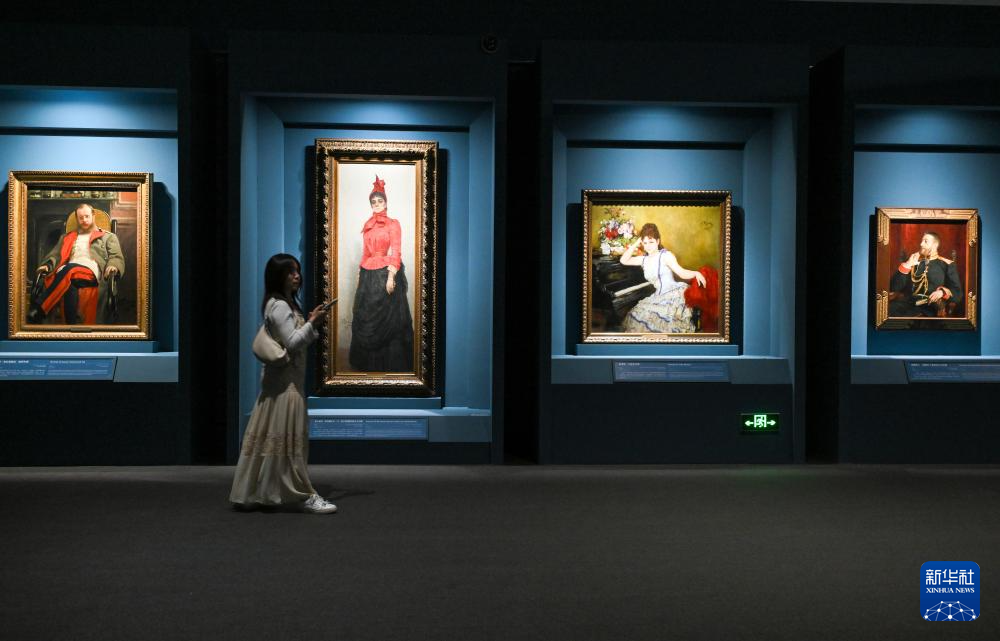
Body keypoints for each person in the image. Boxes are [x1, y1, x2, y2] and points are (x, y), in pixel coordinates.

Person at [230, 253, 337, 514]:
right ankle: (303, 494)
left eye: (297, 270)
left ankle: (263, 491)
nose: (296, 276)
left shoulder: (281, 304)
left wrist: (308, 321)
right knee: (289, 445)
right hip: (286, 385)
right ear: (278, 276)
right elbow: (292, 343)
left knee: (274, 441)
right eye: (290, 272)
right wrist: (312, 323)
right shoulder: (279, 306)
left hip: (281, 384)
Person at [349, 175, 414, 372]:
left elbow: (396, 251)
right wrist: (360, 275)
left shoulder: (393, 223)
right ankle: (368, 365)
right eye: (373, 202)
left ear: (385, 203)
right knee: (365, 315)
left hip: (385, 272)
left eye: (380, 201)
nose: (377, 204)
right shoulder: (368, 226)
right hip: (368, 275)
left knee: (389, 320)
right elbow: (366, 253)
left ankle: (390, 364)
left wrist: (391, 276)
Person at [28, 203, 124, 324]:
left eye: (87, 216)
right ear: (77, 219)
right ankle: (70, 325)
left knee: (70, 269)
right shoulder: (66, 237)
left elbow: (116, 256)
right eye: (81, 218)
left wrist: (113, 265)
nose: (84, 220)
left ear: (93, 216)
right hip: (68, 272)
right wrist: (47, 265)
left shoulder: (108, 237)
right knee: (70, 285)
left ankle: (40, 308)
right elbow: (55, 255)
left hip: (91, 271)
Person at [619, 223, 707, 333]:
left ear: (658, 241)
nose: (648, 246)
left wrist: (696, 273)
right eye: (645, 243)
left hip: (673, 294)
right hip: (657, 297)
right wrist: (636, 243)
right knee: (637, 315)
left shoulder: (665, 255)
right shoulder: (643, 259)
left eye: (651, 242)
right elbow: (623, 260)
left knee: (660, 323)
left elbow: (681, 273)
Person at [889, 231, 963, 317]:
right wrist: (908, 264)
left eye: (925, 241)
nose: (921, 244)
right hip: (907, 305)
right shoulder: (913, 261)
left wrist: (942, 292)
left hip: (930, 307)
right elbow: (893, 287)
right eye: (921, 241)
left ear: (935, 245)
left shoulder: (946, 264)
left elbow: (958, 293)